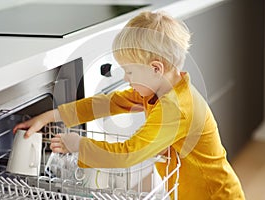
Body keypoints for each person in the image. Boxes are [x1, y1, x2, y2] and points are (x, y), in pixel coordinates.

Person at [13, 11, 245, 199]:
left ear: (156, 69)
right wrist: (50, 116)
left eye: (130, 71)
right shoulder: (158, 89)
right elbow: (106, 103)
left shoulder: (175, 108)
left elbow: (128, 154)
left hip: (216, 196)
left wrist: (79, 145)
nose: (125, 78)